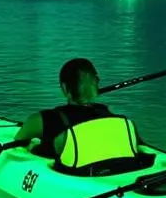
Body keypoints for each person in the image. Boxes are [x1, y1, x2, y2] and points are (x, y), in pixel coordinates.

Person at [13, 58, 149, 176]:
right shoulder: (119, 122)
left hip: (77, 181)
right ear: (96, 82)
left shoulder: (41, 120)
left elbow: (18, 142)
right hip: (121, 176)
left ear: (65, 88)